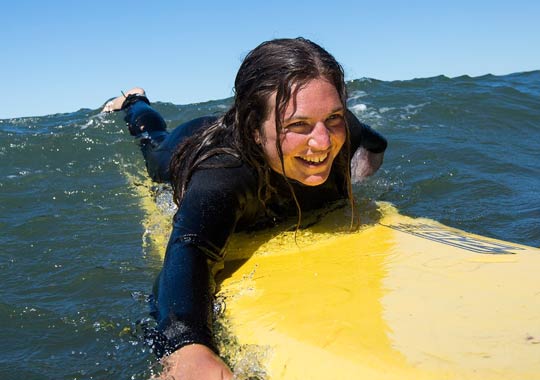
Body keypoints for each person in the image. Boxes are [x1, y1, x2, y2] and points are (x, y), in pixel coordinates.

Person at [102, 37, 387, 380]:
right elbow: (188, 250)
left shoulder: (342, 130)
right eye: (298, 125)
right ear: (254, 130)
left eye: (334, 118)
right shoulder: (223, 175)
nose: (323, 142)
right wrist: (189, 346)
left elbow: (375, 144)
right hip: (188, 143)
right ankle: (134, 101)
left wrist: (350, 176)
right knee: (152, 140)